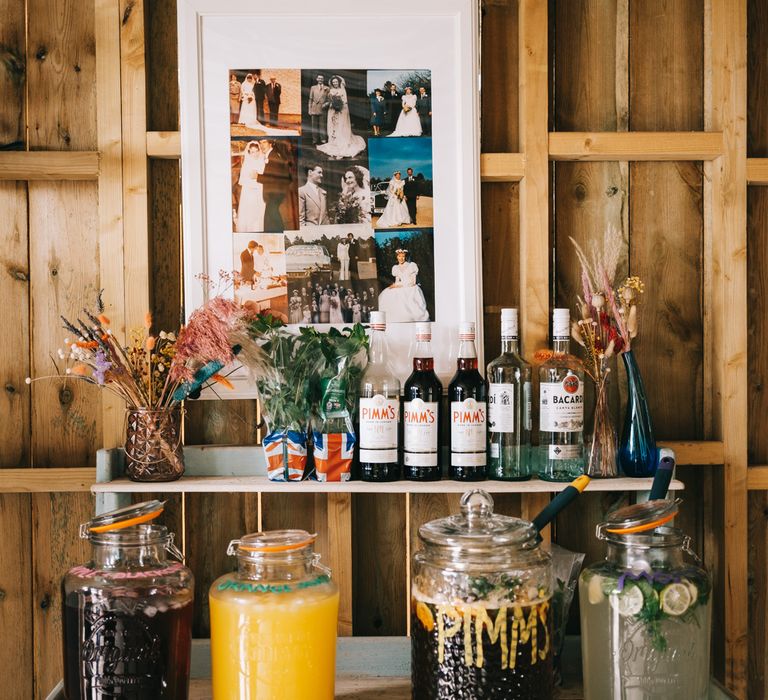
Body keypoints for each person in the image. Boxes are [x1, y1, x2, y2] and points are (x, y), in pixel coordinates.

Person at [317, 76, 366, 159]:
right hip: (332, 110)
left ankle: (342, 142)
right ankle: (334, 142)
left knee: (341, 126)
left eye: (336, 82)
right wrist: (332, 104)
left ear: (339, 82)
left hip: (341, 110)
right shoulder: (331, 90)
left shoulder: (342, 90)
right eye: (333, 82)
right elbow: (329, 100)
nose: (335, 83)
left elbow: (345, 101)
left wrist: (340, 106)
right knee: (334, 126)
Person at [377, 248, 429, 322]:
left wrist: (400, 285)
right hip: (400, 285)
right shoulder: (395, 268)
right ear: (397, 257)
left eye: (403, 256)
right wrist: (394, 285)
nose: (401, 258)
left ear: (405, 257)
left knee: (405, 298)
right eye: (399, 256)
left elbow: (413, 282)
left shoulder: (412, 266)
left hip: (410, 287)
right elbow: (397, 281)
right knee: (388, 293)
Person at [256, 139, 291, 232]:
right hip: (274, 193)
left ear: (270, 144)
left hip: (274, 193)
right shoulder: (271, 155)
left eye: (264, 142)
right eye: (260, 143)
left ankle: (279, 234)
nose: (261, 145)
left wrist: (257, 176)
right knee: (271, 219)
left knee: (271, 219)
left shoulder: (273, 156)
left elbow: (273, 177)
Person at [235, 141, 266, 232]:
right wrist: (252, 184)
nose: (255, 154)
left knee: (259, 212)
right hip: (250, 191)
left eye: (256, 151)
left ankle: (259, 229)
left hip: (260, 189)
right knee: (250, 212)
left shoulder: (262, 161)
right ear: (249, 152)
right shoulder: (247, 163)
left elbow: (264, 176)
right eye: (252, 152)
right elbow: (244, 180)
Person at [308, 74, 330, 144]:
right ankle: (315, 139)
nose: (320, 79)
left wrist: (326, 104)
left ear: (323, 80)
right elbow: (310, 99)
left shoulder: (327, 88)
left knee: (322, 125)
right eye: (319, 78)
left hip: (322, 108)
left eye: (321, 78)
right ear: (317, 79)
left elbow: (329, 99)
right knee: (314, 125)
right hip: (314, 108)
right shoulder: (313, 87)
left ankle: (323, 139)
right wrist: (309, 109)